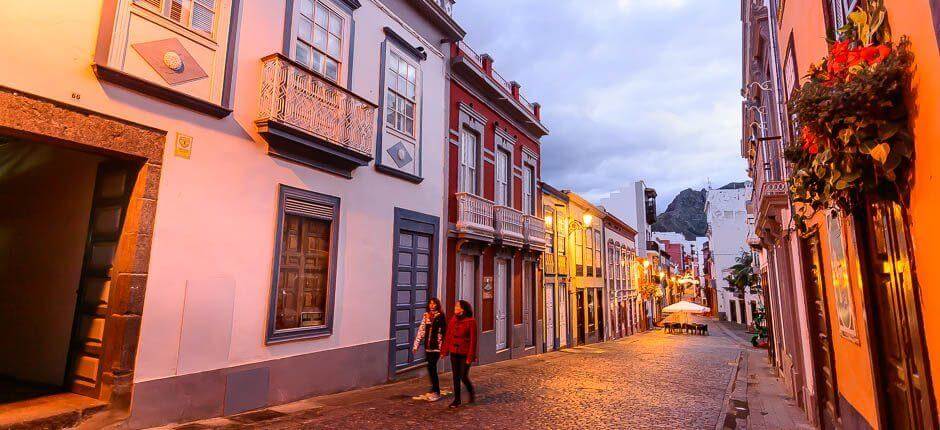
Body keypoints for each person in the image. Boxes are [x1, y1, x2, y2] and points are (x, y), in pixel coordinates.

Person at [441, 300, 477, 408]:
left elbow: (473, 340)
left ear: (463, 309)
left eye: (457, 306)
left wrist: (470, 357)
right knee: (455, 376)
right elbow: (448, 336)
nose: (455, 307)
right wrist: (444, 351)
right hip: (454, 352)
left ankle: (471, 392)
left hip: (465, 353)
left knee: (463, 376)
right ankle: (457, 400)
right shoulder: (453, 319)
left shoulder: (471, 321)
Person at [412, 297, 446, 402]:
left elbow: (444, 332)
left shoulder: (440, 316)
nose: (432, 305)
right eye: (430, 303)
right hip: (428, 346)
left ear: (437, 305)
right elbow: (421, 330)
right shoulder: (426, 316)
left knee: (432, 366)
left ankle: (437, 391)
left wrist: (443, 349)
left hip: (437, 346)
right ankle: (434, 388)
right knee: (430, 367)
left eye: (434, 303)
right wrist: (416, 345)